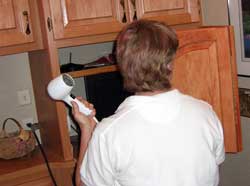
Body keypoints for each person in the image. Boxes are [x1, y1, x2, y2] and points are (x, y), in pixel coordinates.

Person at [71, 20, 225, 186]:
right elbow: (214, 165)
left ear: (122, 67)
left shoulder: (109, 133)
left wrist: (87, 128)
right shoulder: (205, 113)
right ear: (170, 64)